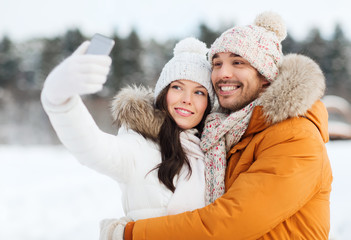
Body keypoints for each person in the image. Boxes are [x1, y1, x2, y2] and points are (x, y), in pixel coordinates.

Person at [122, 11, 333, 240]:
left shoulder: (295, 136)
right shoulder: (229, 132)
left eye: (237, 62)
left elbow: (230, 222)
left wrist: (133, 233)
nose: (223, 74)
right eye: (217, 63)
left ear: (265, 75)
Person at [40, 37, 215, 239]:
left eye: (199, 92)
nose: (187, 99)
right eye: (177, 87)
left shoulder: (215, 152)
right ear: (163, 92)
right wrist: (59, 100)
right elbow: (91, 146)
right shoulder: (139, 146)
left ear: (209, 104)